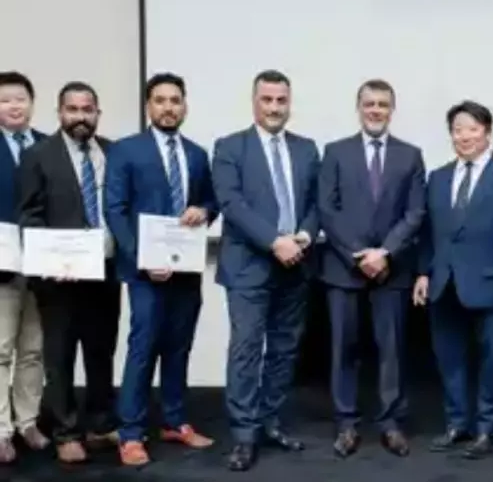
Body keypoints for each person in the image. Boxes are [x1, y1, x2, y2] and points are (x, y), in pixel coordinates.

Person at [104, 72, 218, 466]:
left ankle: (174, 420)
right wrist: (142, 258)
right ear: (148, 106)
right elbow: (115, 209)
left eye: (175, 100)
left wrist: (204, 210)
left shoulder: (197, 154)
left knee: (178, 345)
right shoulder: (126, 150)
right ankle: (131, 433)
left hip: (185, 270)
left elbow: (211, 201)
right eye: (160, 100)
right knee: (143, 347)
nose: (168, 107)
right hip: (144, 273)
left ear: (184, 106)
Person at [414, 100, 493, 460]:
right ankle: (457, 424)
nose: (464, 136)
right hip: (445, 283)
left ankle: (487, 430)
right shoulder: (437, 178)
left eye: (472, 129)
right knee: (449, 359)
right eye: (457, 130)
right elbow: (427, 232)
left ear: (487, 131)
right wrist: (423, 271)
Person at [212, 70, 320, 472]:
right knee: (246, 350)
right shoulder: (229, 147)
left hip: (296, 266)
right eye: (267, 99)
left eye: (281, 100)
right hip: (248, 267)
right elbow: (232, 204)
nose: (274, 107)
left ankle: (270, 422)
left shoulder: (306, 149)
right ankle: (244, 435)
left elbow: (317, 202)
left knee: (284, 350)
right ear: (254, 101)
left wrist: (304, 235)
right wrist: (275, 241)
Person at [318, 79, 425, 458]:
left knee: (391, 349)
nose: (376, 110)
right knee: (343, 349)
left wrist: (386, 253)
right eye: (369, 104)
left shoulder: (410, 155)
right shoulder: (335, 152)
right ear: (358, 107)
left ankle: (390, 423)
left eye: (382, 104)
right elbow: (326, 209)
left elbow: (416, 212)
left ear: (392, 110)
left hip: (392, 270)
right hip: (343, 268)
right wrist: (358, 255)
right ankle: (346, 423)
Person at [17, 82, 121, 463]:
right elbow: (30, 214)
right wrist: (51, 261)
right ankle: (66, 431)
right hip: (58, 279)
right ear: (60, 113)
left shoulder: (112, 152)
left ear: (97, 113)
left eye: (87, 109)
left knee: (101, 351)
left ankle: (100, 424)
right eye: (72, 109)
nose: (80, 116)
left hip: (105, 271)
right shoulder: (37, 155)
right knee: (59, 356)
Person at [0, 70, 49, 463]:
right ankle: (0, 429)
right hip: (1, 266)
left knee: (33, 349)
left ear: (32, 103)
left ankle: (27, 422)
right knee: (0, 349)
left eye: (20, 98)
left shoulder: (50, 146)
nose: (13, 106)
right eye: (4, 100)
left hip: (42, 266)